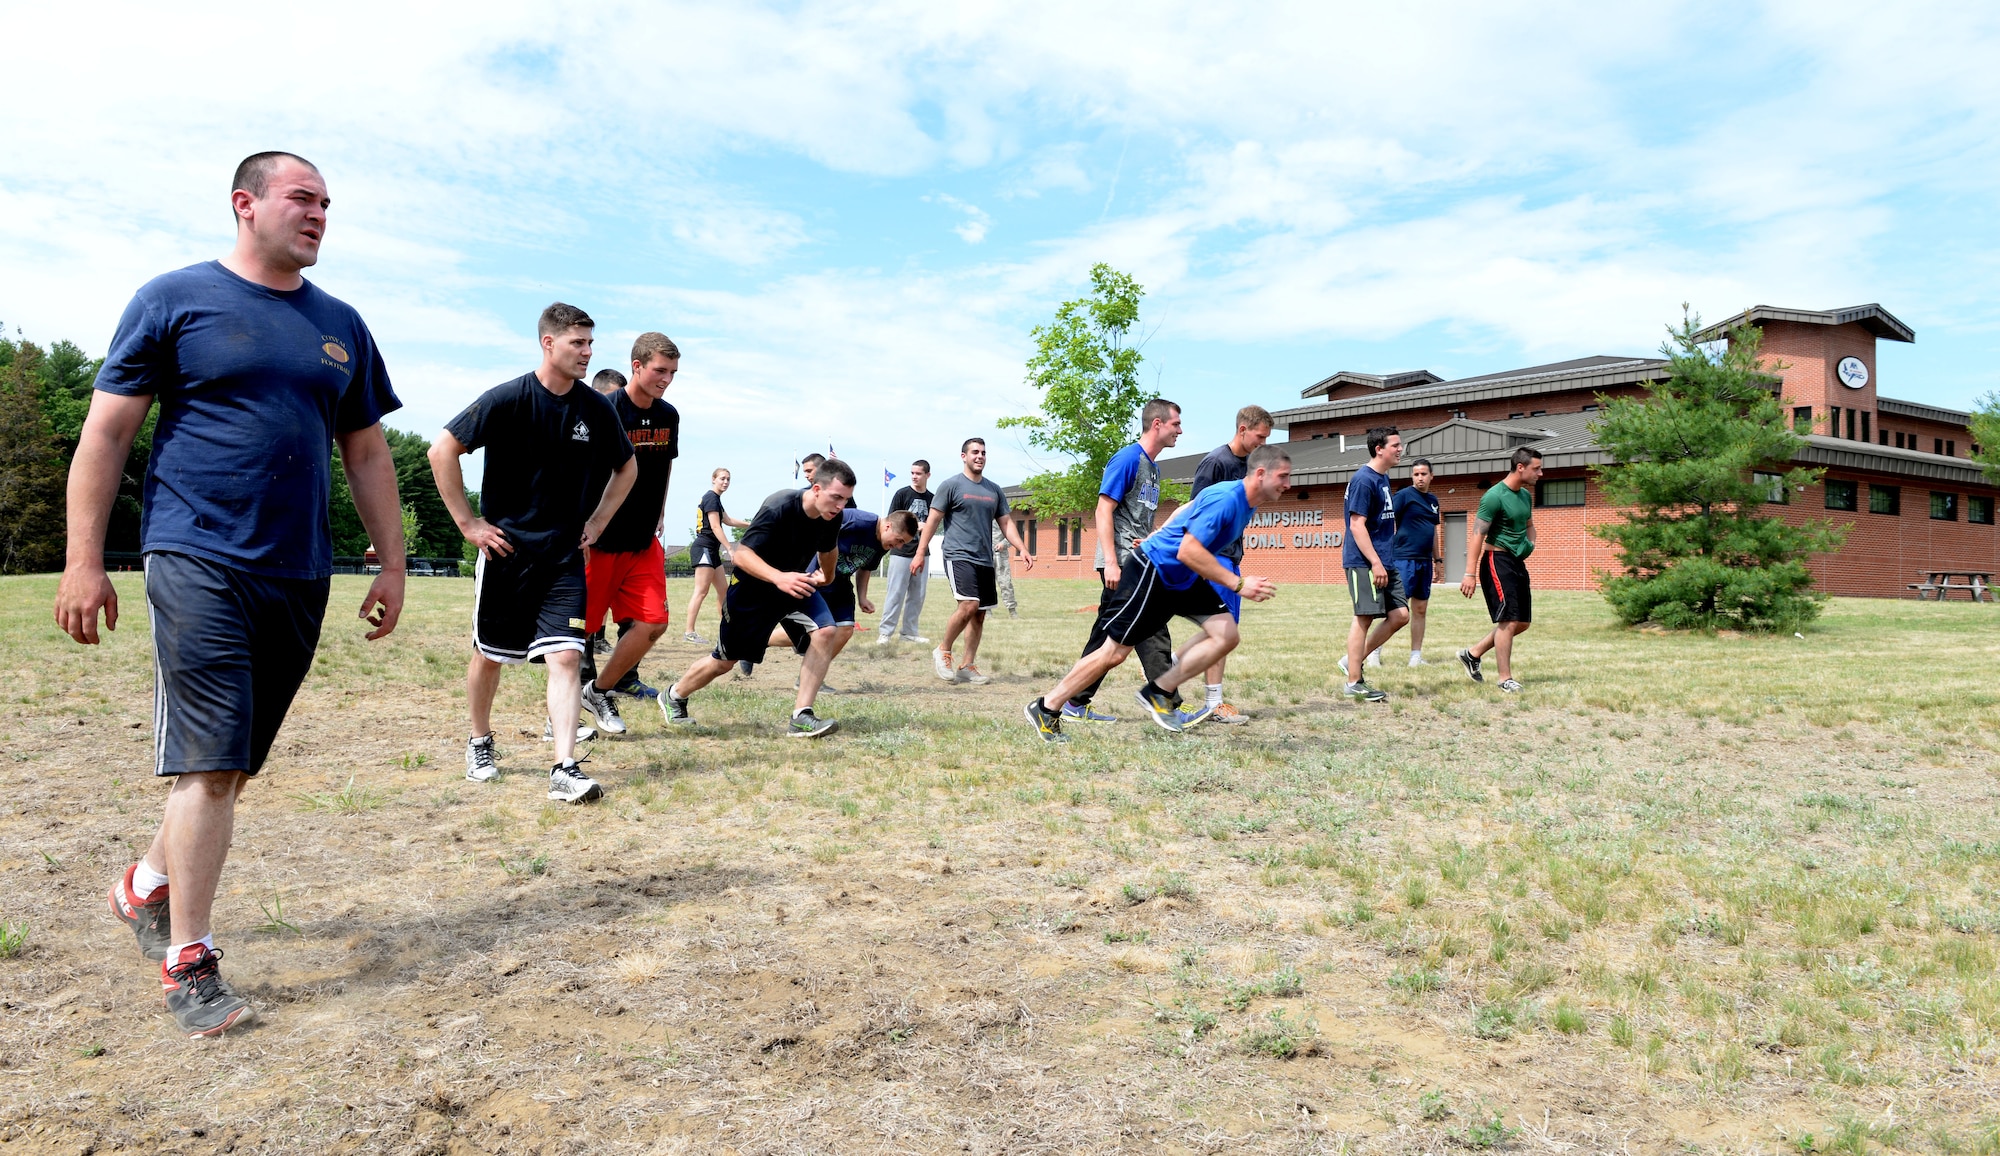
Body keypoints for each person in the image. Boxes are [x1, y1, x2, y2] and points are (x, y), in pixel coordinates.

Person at [60, 151, 405, 1038]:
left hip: (297, 569)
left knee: (233, 765)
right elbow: (106, 434)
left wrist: (394, 563)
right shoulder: (174, 299)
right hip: (194, 552)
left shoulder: (342, 327)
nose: (320, 214)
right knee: (209, 762)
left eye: (328, 202)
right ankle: (191, 960)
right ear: (245, 205)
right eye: (302, 198)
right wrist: (83, 558)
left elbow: (365, 453)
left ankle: (143, 884)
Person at [430, 302, 637, 803]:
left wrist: (596, 522)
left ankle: (564, 767)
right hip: (507, 555)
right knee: (489, 656)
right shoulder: (506, 399)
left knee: (567, 656)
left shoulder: (595, 408)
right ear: (549, 343)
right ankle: (480, 740)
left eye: (591, 343)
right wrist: (469, 524)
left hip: (564, 556)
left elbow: (626, 468)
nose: (588, 353)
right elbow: (442, 450)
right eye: (578, 343)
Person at [1025, 446, 1291, 743]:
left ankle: (1159, 691)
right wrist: (1239, 584)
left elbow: (1187, 510)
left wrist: (1162, 529)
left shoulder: (1247, 501)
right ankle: (1046, 706)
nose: (1288, 484)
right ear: (1260, 474)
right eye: (1283, 476)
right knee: (1114, 653)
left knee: (1226, 633)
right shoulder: (1227, 499)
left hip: (1182, 576)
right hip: (1155, 570)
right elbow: (1188, 550)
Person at [660, 460, 856, 737]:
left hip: (794, 585)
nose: (840, 506)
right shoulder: (780, 506)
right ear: (815, 489)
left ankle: (802, 716)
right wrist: (779, 577)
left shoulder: (831, 516)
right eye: (836, 497)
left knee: (827, 631)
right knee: (724, 662)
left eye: (845, 499)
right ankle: (673, 695)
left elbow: (828, 548)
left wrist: (827, 574)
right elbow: (741, 555)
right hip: (751, 591)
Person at [577, 332, 682, 718]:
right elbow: (583, 473)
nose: (666, 379)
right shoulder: (604, 409)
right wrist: (584, 526)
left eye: (672, 372)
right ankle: (572, 699)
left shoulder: (668, 415)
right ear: (636, 366)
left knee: (653, 623)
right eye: (660, 370)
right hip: (601, 538)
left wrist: (661, 508)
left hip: (642, 539)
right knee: (582, 628)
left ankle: (601, 688)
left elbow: (666, 463)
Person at [1063, 399, 1182, 722]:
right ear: (1157, 424)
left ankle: (1073, 700)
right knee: (1151, 625)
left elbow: (1137, 518)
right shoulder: (1128, 458)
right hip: (1123, 562)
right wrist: (1112, 562)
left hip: (1139, 558)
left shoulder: (1153, 468)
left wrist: (1154, 540)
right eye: (1175, 424)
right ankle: (1166, 703)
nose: (1180, 431)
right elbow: (1104, 509)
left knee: (1106, 632)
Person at [910, 438, 1033, 684]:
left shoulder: (993, 489)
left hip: (985, 558)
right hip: (958, 554)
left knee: (979, 613)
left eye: (983, 453)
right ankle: (943, 650)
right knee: (969, 604)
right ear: (963, 456)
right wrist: (920, 551)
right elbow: (933, 521)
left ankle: (967, 665)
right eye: (975, 452)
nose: (980, 456)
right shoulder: (951, 485)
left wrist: (1021, 547)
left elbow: (1006, 523)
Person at [1181, 404, 1273, 725]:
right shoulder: (1216, 463)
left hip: (1232, 556)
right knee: (1222, 630)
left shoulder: (1251, 465)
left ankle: (1176, 672)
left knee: (1224, 630)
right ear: (1243, 429)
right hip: (1214, 558)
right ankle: (1211, 701)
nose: (1262, 443)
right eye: (1259, 437)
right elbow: (1195, 510)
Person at [774, 508, 918, 673]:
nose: (899, 546)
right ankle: (756, 642)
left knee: (845, 629)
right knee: (811, 634)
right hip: (813, 578)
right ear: (888, 526)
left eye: (903, 543)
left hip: (840, 582)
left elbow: (866, 568)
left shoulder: (884, 542)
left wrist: (862, 597)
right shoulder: (855, 521)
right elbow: (817, 532)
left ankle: (812, 677)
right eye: (899, 540)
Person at [1458, 447, 1543, 693]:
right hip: (1496, 560)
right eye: (1536, 468)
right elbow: (1477, 535)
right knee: (1508, 619)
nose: (1540, 473)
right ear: (1520, 467)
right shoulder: (1494, 496)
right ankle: (1504, 678)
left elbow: (1529, 525)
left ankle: (1472, 654)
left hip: (1516, 562)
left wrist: (1531, 544)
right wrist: (1469, 573)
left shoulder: (1525, 496)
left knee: (1522, 622)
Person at [1336, 426, 1407, 702]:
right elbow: (1357, 525)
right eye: (1395, 445)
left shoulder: (1383, 478)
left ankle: (1351, 660)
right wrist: (1375, 562)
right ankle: (1354, 681)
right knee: (1364, 617)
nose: (1400, 449)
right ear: (1379, 449)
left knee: (1400, 615)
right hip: (1364, 562)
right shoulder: (1364, 480)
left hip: (1384, 560)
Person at [685, 467, 748, 644]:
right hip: (703, 548)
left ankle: (726, 630)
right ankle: (689, 632)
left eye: (728, 479)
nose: (725, 482)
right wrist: (730, 548)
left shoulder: (716, 500)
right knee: (701, 591)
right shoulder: (711, 497)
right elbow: (715, 526)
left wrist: (750, 524)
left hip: (711, 550)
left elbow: (727, 521)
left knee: (724, 592)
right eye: (722, 478)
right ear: (713, 479)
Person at [1390, 458, 1444, 666]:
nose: (1420, 478)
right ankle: (1375, 652)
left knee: (1420, 609)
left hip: (1424, 562)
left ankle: (1415, 657)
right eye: (1416, 474)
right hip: (1403, 560)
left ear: (1431, 476)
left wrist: (1437, 560)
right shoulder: (1404, 496)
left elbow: (1433, 532)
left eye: (1423, 474)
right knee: (1395, 609)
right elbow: (1386, 522)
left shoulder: (1433, 501)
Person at [877, 459, 934, 644]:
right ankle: (885, 633)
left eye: (918, 473)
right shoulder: (902, 494)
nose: (914, 476)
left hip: (922, 552)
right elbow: (891, 520)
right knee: (895, 593)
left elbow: (935, 523)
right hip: (901, 552)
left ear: (927, 475)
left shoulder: (932, 498)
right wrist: (917, 525)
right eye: (912, 473)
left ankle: (909, 632)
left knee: (918, 595)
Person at [991, 519, 1019, 617]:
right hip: (984, 556)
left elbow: (1012, 536)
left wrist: (1003, 544)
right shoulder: (979, 518)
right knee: (986, 585)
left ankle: (1012, 611)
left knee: (1006, 583)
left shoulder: (1002, 518)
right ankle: (987, 611)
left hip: (1000, 557)